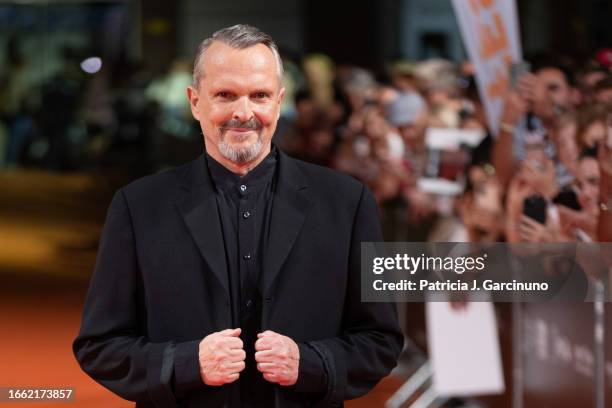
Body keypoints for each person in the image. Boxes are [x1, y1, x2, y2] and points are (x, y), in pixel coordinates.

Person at [73, 24, 403, 408]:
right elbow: (100, 346)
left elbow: (381, 341)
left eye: (259, 95)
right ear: (195, 102)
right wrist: (184, 363)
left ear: (279, 102)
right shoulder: (139, 206)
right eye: (225, 95)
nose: (243, 113)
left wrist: (312, 363)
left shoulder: (348, 202)